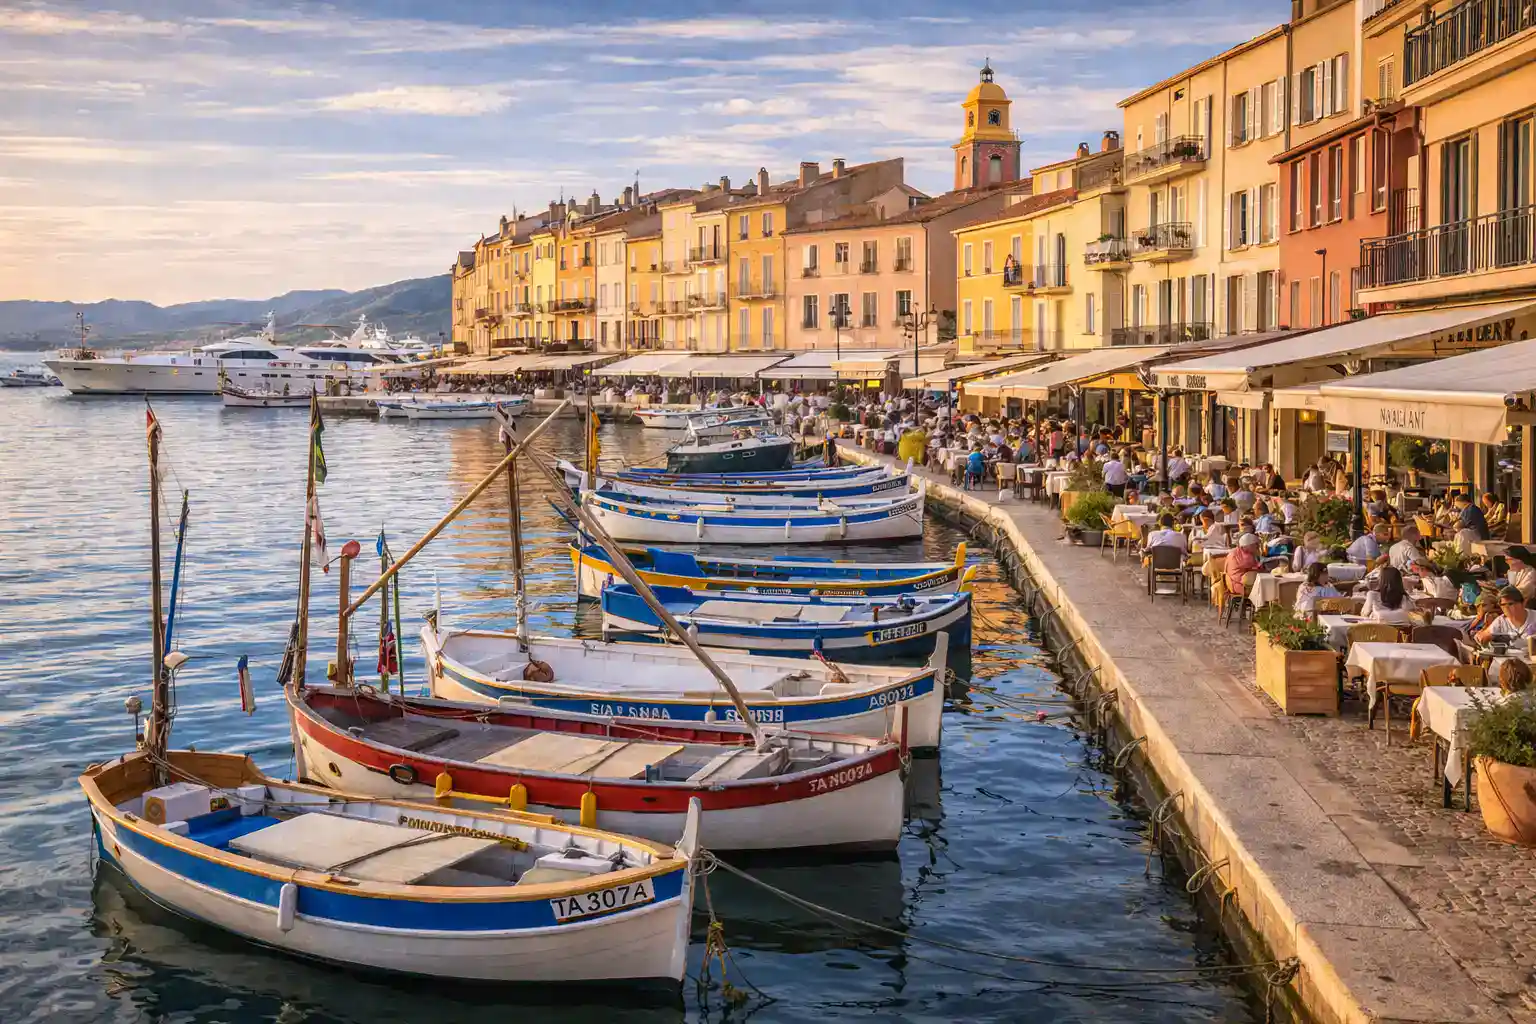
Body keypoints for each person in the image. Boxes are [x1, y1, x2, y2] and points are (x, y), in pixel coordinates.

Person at [1225, 533, 1263, 597]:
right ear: (1248, 546)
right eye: (1255, 545)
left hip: (1230, 583)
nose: (1257, 546)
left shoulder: (1235, 551)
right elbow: (1257, 567)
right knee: (1265, 588)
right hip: (1241, 586)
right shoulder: (1247, 557)